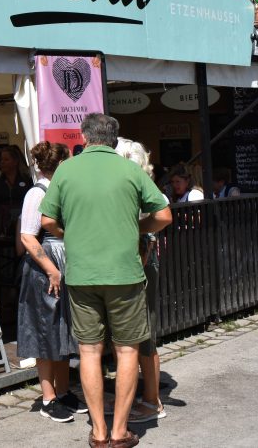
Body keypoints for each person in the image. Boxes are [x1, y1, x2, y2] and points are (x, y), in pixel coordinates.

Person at [40, 114, 172, 448]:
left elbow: (47, 221)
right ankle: (119, 432)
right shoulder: (130, 170)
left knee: (89, 351)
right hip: (124, 274)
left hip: (82, 274)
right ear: (114, 139)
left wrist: (71, 233)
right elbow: (164, 215)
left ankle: (98, 432)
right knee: (126, 350)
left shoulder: (67, 170)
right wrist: (136, 227)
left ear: (84, 137)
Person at [17, 141, 85, 422]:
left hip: (63, 263)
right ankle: (48, 398)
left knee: (63, 329)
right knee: (45, 330)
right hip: (45, 268)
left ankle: (64, 390)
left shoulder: (60, 189)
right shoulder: (37, 193)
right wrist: (51, 270)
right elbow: (27, 236)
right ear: (59, 165)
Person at [115, 138, 168, 424]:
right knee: (128, 335)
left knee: (144, 333)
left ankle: (152, 400)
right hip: (129, 259)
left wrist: (136, 229)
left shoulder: (138, 184)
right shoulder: (130, 183)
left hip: (142, 258)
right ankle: (136, 395)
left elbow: (162, 215)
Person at [0, 144, 32, 239]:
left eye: (6, 159)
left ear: (15, 162)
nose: (2, 162)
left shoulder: (28, 179)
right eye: (1, 159)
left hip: (23, 222)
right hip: (0, 224)